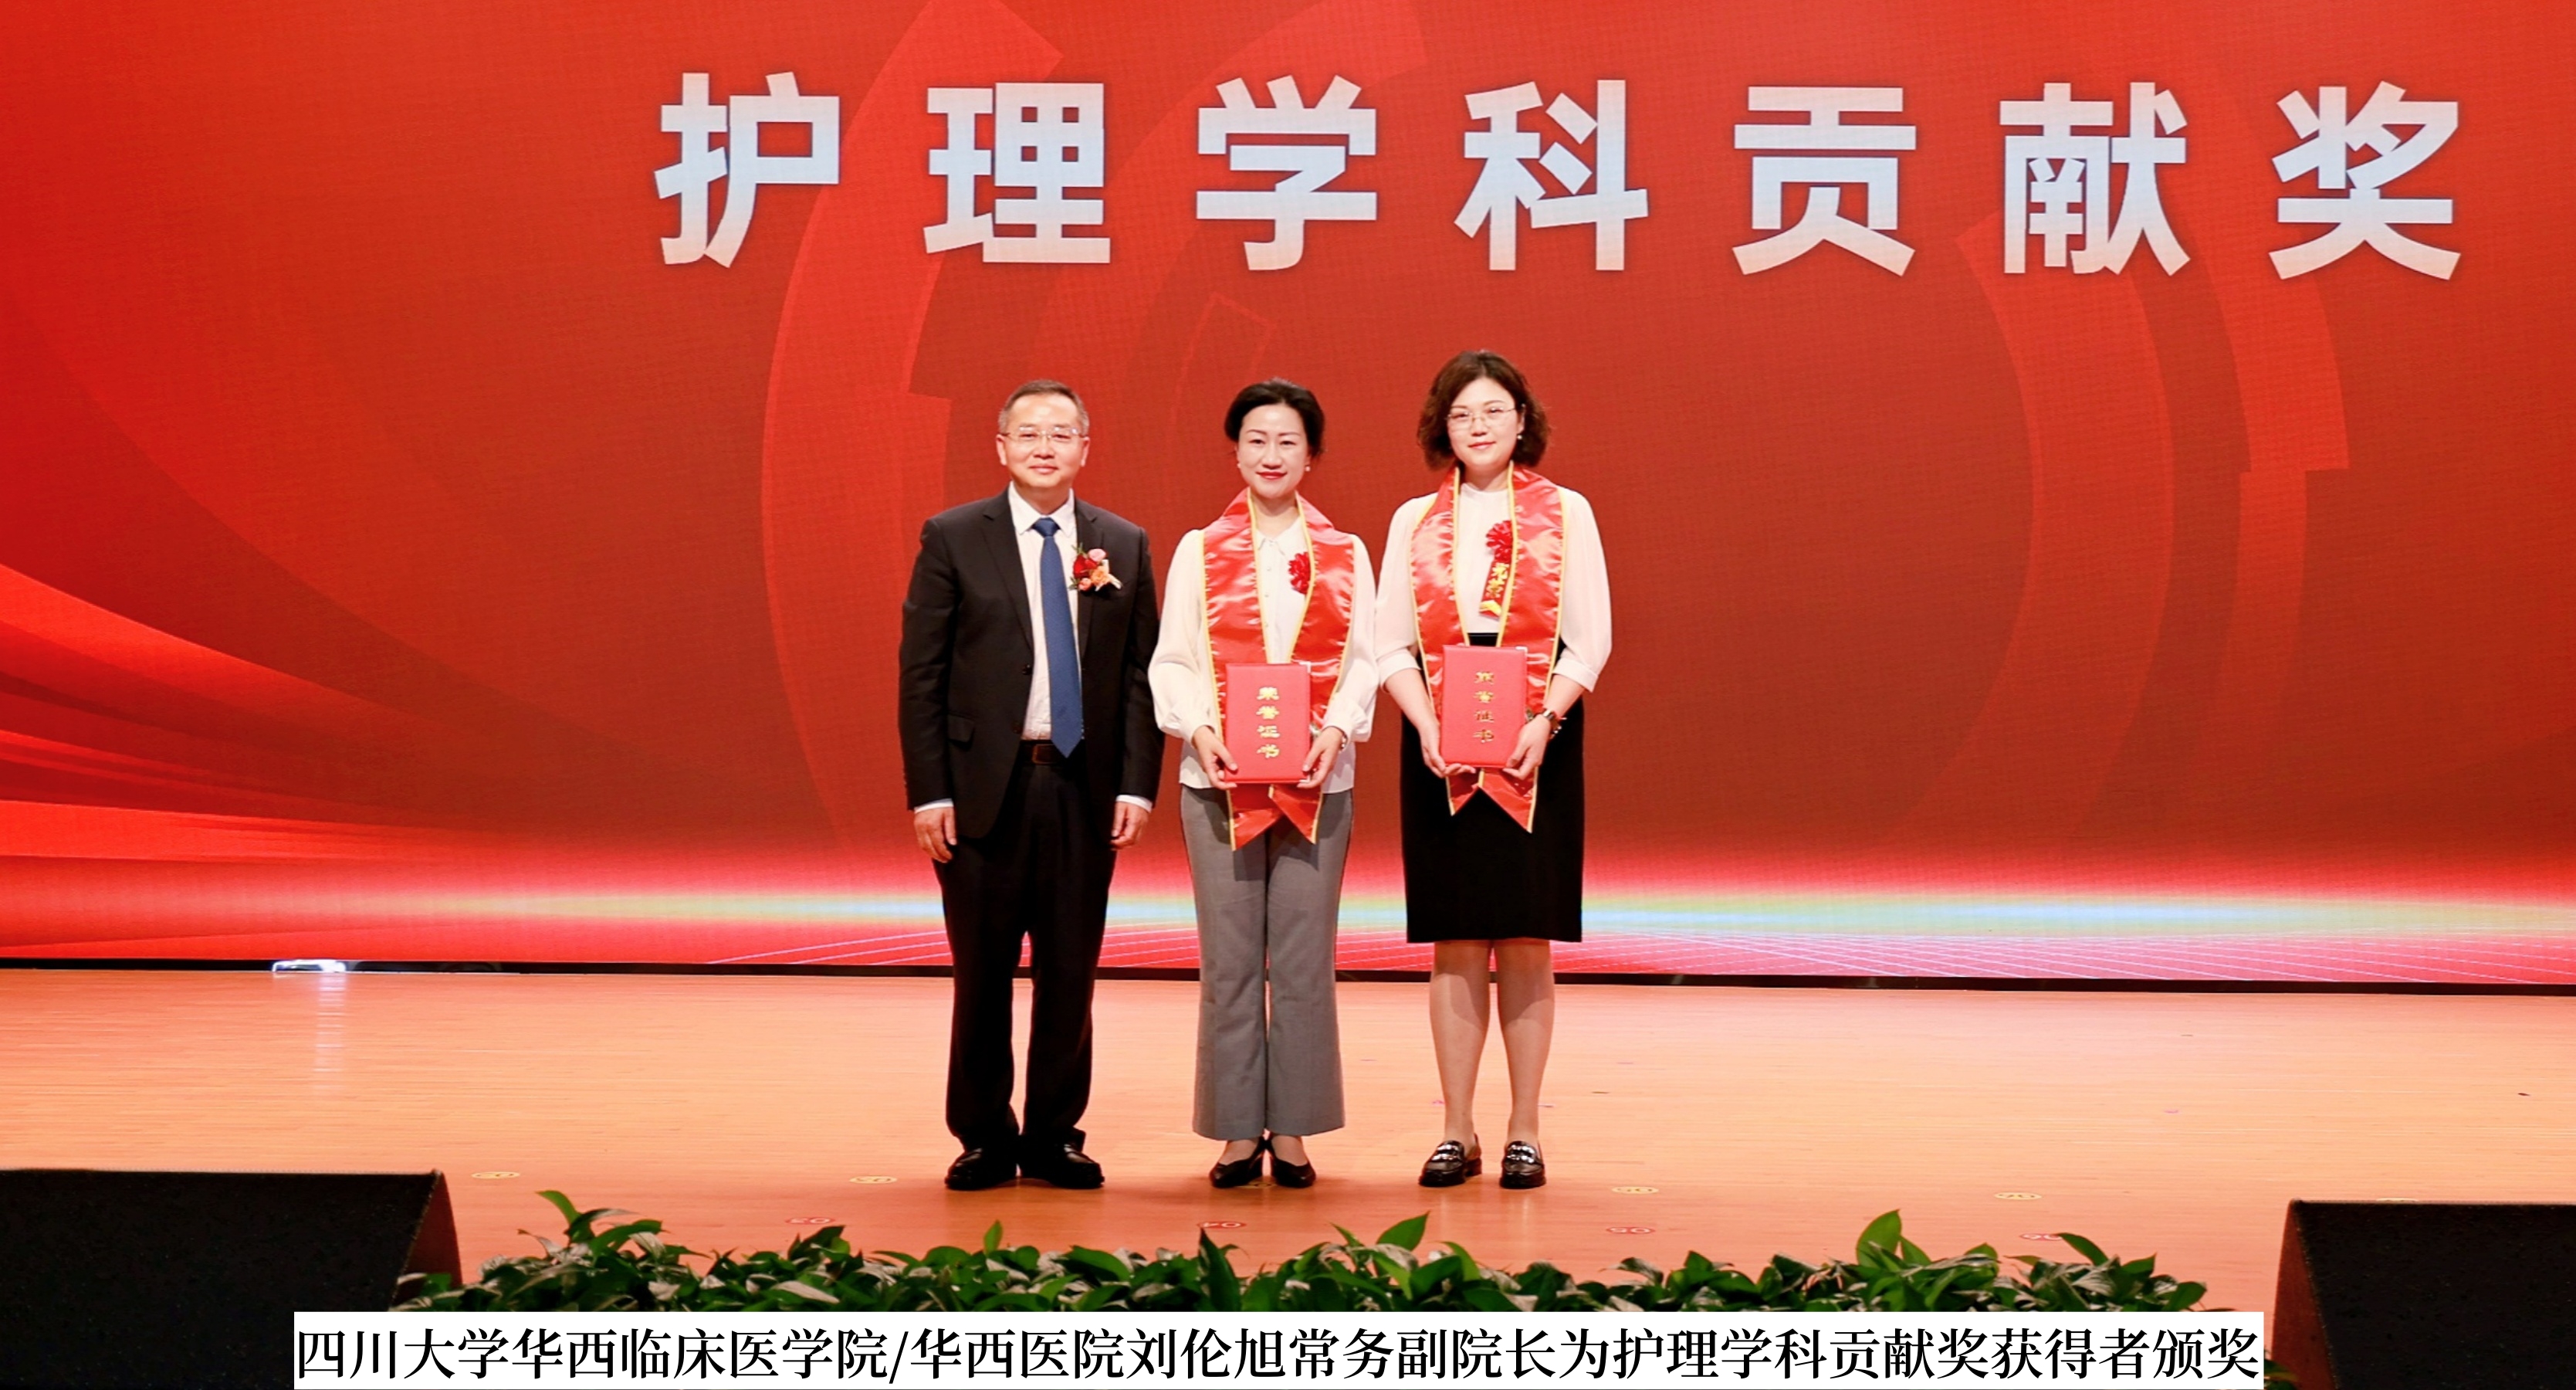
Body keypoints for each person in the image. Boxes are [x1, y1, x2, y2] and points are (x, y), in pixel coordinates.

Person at [899, 379, 1163, 1192]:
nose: (1044, 447)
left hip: (1082, 786)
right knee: (981, 973)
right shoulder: (953, 536)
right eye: (1029, 433)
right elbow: (922, 675)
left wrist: (1136, 786)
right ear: (1002, 446)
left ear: (1085, 447)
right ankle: (982, 1135)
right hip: (985, 789)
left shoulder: (1123, 543)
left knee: (1070, 973)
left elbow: (1139, 678)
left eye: (1060, 434)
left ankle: (1053, 1135)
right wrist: (930, 793)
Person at [1374, 351, 1610, 1192]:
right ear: (1442, 428)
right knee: (1455, 939)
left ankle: (1524, 1131)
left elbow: (1589, 638)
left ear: (1521, 421)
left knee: (1525, 934)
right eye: (1461, 414)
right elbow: (1387, 643)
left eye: (1492, 412)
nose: (1477, 427)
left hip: (1536, 739)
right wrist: (1426, 723)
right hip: (1439, 739)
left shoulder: (1566, 512)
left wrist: (1546, 720)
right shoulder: (1412, 520)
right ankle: (1455, 1130)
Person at [1149, 379, 1378, 1190]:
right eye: (1256, 439)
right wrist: (1199, 731)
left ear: (1311, 455)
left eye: (1287, 441)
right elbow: (1173, 659)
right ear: (1235, 451)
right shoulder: (1197, 550)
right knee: (1231, 961)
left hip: (1319, 783)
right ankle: (1237, 1132)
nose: (1271, 455)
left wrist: (1336, 729)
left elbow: (1363, 663)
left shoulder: (1346, 554)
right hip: (1218, 782)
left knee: (1306, 962)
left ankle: (1296, 1131)